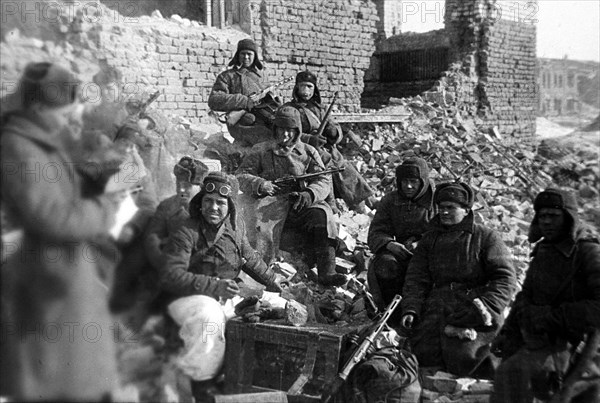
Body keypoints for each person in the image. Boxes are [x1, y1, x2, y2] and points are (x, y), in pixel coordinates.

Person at [0, 62, 124, 401]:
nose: (71, 120)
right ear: (38, 108)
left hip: (60, 279)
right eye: (65, 113)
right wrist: (108, 205)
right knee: (55, 384)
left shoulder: (38, 142)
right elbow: (54, 218)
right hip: (45, 286)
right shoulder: (20, 148)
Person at [491, 188, 600, 403]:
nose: (547, 222)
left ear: (568, 218)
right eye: (542, 216)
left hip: (577, 343)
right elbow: (525, 296)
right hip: (539, 339)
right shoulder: (544, 250)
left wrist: (551, 317)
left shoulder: (588, 252)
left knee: (513, 373)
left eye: (554, 216)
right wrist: (507, 331)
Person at [400, 182, 517, 378]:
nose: (444, 213)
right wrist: (411, 308)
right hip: (438, 303)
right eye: (441, 208)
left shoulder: (485, 237)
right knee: (423, 353)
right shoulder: (429, 240)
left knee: (467, 356)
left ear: (466, 210)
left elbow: (505, 278)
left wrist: (486, 306)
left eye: (450, 208)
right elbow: (416, 278)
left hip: (474, 305)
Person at [236, 106, 347, 287]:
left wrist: (309, 194)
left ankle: (327, 271)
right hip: (269, 205)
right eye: (281, 129)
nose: (285, 135)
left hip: (300, 205)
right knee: (262, 233)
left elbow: (323, 180)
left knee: (322, 215)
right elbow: (241, 176)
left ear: (297, 132)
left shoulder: (309, 152)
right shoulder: (260, 150)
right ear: (275, 129)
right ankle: (265, 274)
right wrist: (261, 184)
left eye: (290, 130)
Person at [286, 70, 374, 212]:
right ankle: (342, 206)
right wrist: (309, 139)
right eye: (302, 86)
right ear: (296, 87)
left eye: (309, 86)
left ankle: (364, 202)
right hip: (303, 151)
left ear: (315, 89)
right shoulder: (289, 109)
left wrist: (334, 133)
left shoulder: (320, 109)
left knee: (345, 167)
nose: (306, 90)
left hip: (326, 149)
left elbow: (334, 126)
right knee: (329, 166)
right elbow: (287, 133)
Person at [367, 157, 436, 310]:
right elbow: (376, 232)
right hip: (401, 252)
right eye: (404, 181)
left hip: (431, 253)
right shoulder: (390, 200)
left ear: (423, 181)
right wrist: (390, 244)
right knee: (385, 265)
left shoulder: (437, 201)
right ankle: (391, 311)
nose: (408, 186)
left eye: (414, 181)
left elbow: (449, 234)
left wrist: (422, 244)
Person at [208, 38, 275, 147]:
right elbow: (214, 99)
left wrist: (273, 98)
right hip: (242, 124)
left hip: (263, 118)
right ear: (238, 55)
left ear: (255, 56)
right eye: (243, 54)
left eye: (249, 54)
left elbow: (271, 100)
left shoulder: (262, 76)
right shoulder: (227, 76)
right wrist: (244, 101)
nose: (246, 57)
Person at [145, 156, 207, 272]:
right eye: (179, 183)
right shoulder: (167, 206)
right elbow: (152, 238)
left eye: (188, 185)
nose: (182, 189)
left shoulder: (209, 210)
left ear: (200, 187)